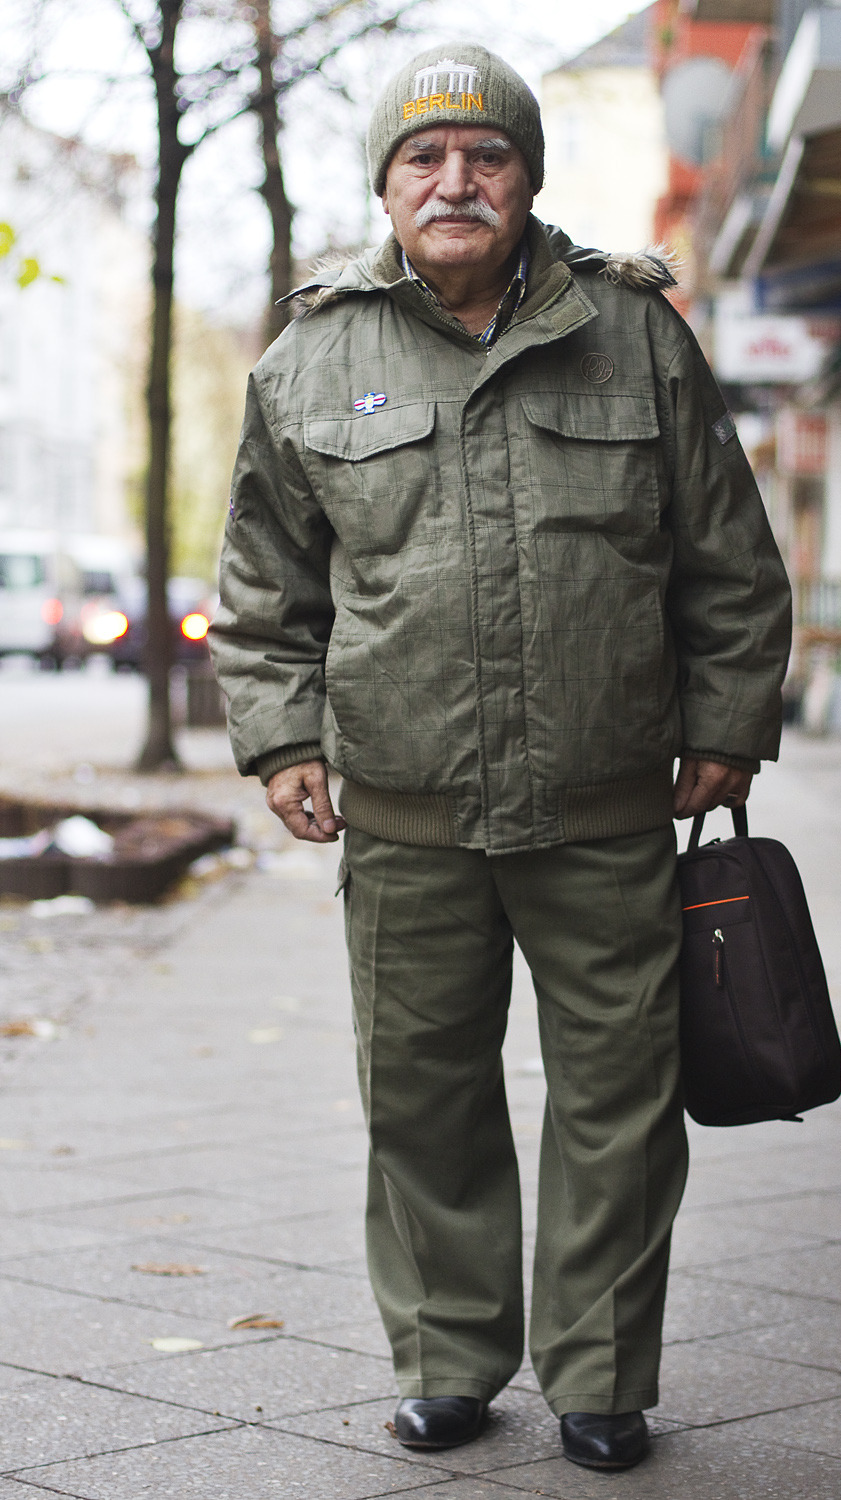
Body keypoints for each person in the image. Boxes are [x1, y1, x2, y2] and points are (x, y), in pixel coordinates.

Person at [209, 42, 791, 1473]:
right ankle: (451, 1358)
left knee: (620, 1100)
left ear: (527, 177)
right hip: (404, 816)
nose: (456, 180)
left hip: (604, 805)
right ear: (387, 185)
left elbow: (729, 559)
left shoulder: (634, 332)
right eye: (426, 158)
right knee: (423, 1100)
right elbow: (263, 589)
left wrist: (726, 720)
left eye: (488, 155)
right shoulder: (312, 355)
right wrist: (282, 734)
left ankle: (600, 1376)